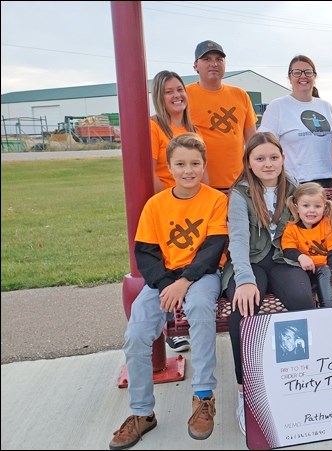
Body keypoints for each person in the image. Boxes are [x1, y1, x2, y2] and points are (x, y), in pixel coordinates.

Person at [109, 133, 227, 449]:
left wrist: (184, 282)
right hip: (163, 279)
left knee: (200, 310)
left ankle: (203, 396)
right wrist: (166, 286)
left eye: (195, 164)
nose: (188, 170)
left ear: (203, 165)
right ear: (169, 166)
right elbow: (145, 252)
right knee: (136, 333)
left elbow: (213, 248)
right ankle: (142, 412)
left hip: (200, 275)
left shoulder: (215, 200)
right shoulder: (156, 205)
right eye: (181, 164)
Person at [223, 132, 316, 435]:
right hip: (249, 261)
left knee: (302, 300)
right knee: (244, 311)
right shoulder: (240, 193)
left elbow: (312, 228)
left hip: (282, 259)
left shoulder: (293, 188)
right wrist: (245, 281)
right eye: (260, 158)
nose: (267, 163)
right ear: (248, 162)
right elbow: (237, 239)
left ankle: (296, 377)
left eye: (273, 157)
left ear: (282, 158)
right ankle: (245, 390)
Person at [149, 70, 198, 353]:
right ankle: (170, 326)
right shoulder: (154, 127)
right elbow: (150, 169)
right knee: (168, 261)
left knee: (191, 259)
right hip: (169, 204)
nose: (177, 95)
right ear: (159, 96)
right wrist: (167, 200)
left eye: (179, 89)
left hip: (193, 205)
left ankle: (187, 314)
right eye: (169, 91)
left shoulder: (192, 130)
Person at [257, 55, 332, 188]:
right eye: (297, 72)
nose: (303, 76)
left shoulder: (326, 107)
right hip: (293, 183)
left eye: (308, 72)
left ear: (314, 76)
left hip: (326, 181)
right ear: (289, 77)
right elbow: (264, 146)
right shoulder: (278, 107)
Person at [186, 39, 257, 190]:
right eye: (207, 59)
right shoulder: (185, 95)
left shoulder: (240, 95)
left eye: (219, 59)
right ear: (195, 65)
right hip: (200, 185)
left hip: (238, 185)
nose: (214, 64)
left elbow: (252, 141)